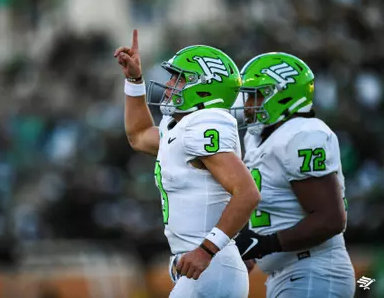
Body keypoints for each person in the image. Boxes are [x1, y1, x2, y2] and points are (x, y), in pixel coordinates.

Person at [114, 30, 260, 298]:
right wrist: (134, 80)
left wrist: (206, 249)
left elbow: (247, 193)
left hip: (211, 266)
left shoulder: (203, 126)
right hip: (204, 265)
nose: (169, 84)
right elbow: (139, 135)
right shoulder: (181, 128)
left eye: (178, 78)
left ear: (204, 86)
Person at [232, 52, 356, 298]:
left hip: (314, 271)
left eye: (256, 95)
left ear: (283, 93)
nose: (248, 106)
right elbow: (278, 209)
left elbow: (330, 219)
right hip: (289, 273)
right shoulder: (259, 138)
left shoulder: (302, 134)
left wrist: (263, 244)